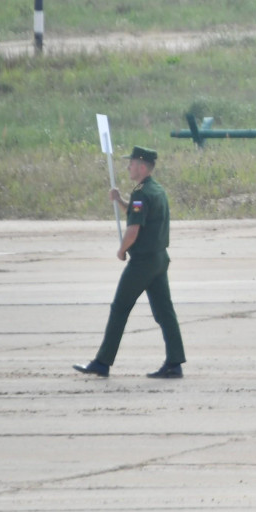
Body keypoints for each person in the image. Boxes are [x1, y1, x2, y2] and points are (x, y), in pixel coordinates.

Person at [74, 146, 186, 379]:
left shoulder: (141, 194)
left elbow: (133, 230)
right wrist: (120, 201)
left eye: (132, 163)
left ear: (142, 167)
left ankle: (103, 362)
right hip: (158, 259)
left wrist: (121, 250)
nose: (128, 167)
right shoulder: (155, 190)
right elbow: (139, 215)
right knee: (165, 312)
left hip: (142, 262)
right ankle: (175, 362)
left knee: (120, 308)